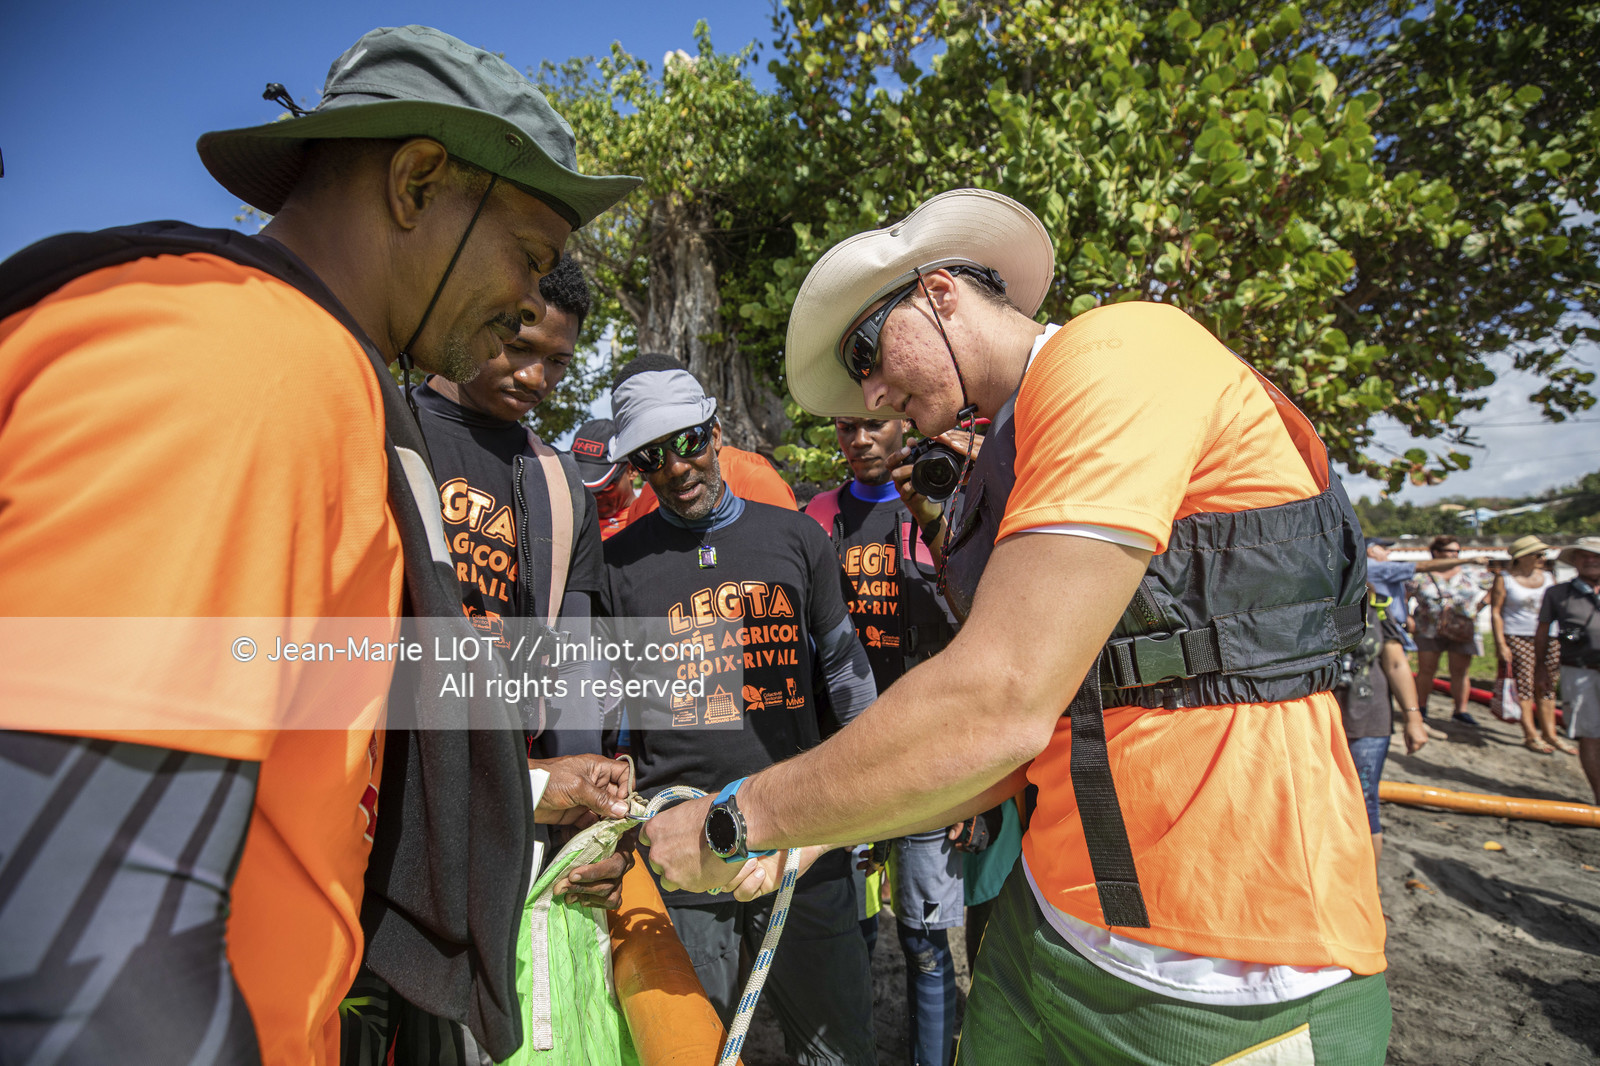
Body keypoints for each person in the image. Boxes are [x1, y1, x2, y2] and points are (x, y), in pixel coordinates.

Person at [0, 26, 638, 1066]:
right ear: (418, 181)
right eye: (527, 256)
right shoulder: (245, 361)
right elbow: (76, 934)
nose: (531, 303)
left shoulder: (326, 379)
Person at [642, 188, 1391, 1063]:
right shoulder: (1013, 445)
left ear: (939, 291)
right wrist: (812, 831)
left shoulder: (1118, 351)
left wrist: (739, 820)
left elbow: (998, 704)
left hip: (1230, 967)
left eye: (867, 354)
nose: (874, 393)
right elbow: (1013, 748)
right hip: (1056, 931)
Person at [342, 257, 637, 1063]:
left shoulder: (561, 485)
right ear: (471, 318)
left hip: (510, 802)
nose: (535, 375)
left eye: (561, 362)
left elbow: (573, 657)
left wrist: (583, 806)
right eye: (517, 344)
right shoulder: (384, 430)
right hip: (381, 803)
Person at [600, 356, 879, 1066]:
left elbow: (846, 677)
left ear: (716, 431)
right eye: (652, 455)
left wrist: (867, 808)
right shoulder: (617, 567)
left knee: (837, 1049)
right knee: (696, 1053)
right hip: (686, 854)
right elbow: (608, 715)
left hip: (800, 837)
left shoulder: (796, 539)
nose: (677, 466)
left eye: (688, 441)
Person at [805, 416, 962, 1066]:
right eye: (846, 428)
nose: (860, 439)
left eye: (874, 425)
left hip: (929, 760)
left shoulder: (944, 504)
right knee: (855, 933)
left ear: (905, 423)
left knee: (925, 943)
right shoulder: (817, 515)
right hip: (846, 762)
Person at [1364, 536, 1469, 752]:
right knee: (1388, 678)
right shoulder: (1374, 567)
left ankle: (1403, 722)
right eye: (1384, 549)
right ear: (1371, 551)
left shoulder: (1379, 568)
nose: (1388, 553)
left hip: (1390, 629)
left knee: (1393, 678)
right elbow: (1423, 566)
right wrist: (1470, 560)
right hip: (1381, 630)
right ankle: (1393, 726)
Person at [1491, 535, 1574, 754]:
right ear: (1523, 557)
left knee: (1547, 684)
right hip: (1518, 635)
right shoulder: (1505, 578)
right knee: (1525, 684)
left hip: (1549, 636)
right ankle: (1530, 734)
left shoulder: (1548, 577)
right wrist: (1500, 643)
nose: (1542, 558)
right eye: (1537, 554)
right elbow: (1496, 611)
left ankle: (1551, 734)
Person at [1335, 596, 1400, 872]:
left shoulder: (1377, 604)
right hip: (1319, 718)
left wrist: (1414, 717)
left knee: (1363, 801)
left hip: (1368, 717)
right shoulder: (1304, 596)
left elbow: (1397, 663)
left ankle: (1368, 887)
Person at [1535, 537, 1600, 805]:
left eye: (1596, 555)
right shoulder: (1558, 593)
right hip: (1579, 670)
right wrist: (1540, 668)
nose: (1592, 560)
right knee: (1590, 733)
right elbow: (1542, 632)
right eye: (1585, 555)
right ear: (1575, 561)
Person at [1412, 535, 1489, 725]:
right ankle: (1421, 707)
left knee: (1460, 671)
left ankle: (1460, 710)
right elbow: (1405, 593)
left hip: (1462, 629)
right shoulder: (1421, 574)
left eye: (1456, 551)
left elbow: (1498, 586)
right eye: (1449, 551)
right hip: (1428, 627)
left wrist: (1480, 607)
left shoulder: (1470, 573)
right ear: (1436, 553)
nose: (1454, 555)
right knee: (1426, 669)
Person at [569, 417, 638, 538]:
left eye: (606, 486)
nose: (594, 496)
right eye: (584, 487)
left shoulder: (649, 522)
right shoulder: (564, 520)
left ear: (632, 470)